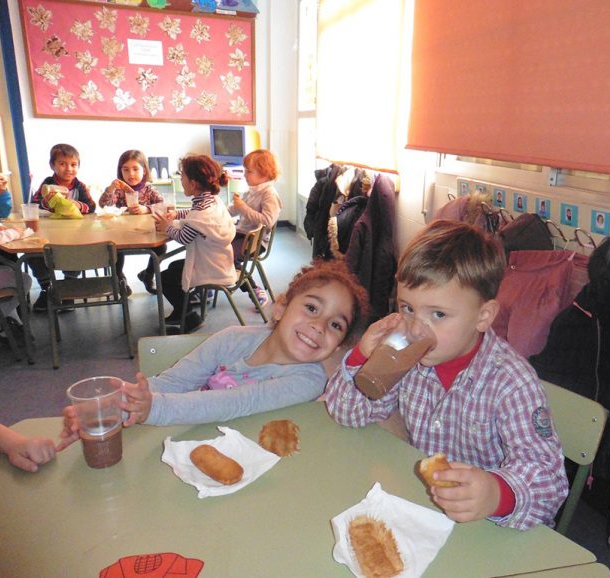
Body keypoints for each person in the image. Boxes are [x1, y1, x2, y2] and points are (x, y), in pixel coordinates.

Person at [325, 220, 568, 531]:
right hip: (426, 507)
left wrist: (496, 494)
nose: (416, 328)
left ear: (483, 317)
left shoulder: (511, 383)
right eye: (407, 308)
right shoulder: (407, 356)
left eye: (437, 314)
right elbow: (348, 414)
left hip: (490, 524)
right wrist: (363, 356)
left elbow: (549, 481)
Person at [58, 260, 369, 434]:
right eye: (312, 309)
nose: (319, 326)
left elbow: (235, 403)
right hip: (194, 437)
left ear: (339, 344)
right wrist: (120, 401)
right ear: (280, 308)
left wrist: (154, 408)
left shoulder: (310, 379)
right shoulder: (232, 339)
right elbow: (174, 382)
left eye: (335, 325)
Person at [153, 154, 237, 333]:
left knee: (166, 278)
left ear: (193, 183)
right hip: (220, 261)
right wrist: (177, 215)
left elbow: (184, 237)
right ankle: (181, 310)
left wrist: (167, 227)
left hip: (211, 268)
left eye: (182, 176)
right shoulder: (212, 201)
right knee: (175, 267)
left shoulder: (201, 214)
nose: (180, 179)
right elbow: (194, 213)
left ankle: (190, 318)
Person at [28, 144, 96, 313]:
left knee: (78, 250)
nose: (69, 169)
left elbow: (91, 207)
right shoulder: (47, 184)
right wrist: (46, 201)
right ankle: (46, 288)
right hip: (50, 232)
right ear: (53, 165)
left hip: (75, 233)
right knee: (33, 252)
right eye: (62, 164)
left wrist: (78, 205)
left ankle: (68, 286)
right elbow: (34, 204)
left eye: (73, 165)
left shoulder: (79, 186)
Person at [98, 150, 167, 296]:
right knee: (115, 249)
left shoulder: (149, 189)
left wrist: (146, 208)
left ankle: (148, 275)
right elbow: (103, 204)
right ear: (120, 171)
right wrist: (111, 188)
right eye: (126, 170)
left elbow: (163, 205)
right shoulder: (119, 190)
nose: (131, 174)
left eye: (136, 169)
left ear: (144, 170)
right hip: (121, 233)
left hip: (144, 232)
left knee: (161, 248)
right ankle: (119, 278)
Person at [229, 149, 282, 307]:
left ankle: (253, 289)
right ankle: (213, 278)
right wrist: (217, 211)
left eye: (249, 171)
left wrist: (243, 207)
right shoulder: (252, 190)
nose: (245, 174)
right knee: (212, 247)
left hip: (256, 242)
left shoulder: (269, 194)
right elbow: (234, 209)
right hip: (242, 234)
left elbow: (267, 221)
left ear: (264, 174)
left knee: (225, 256)